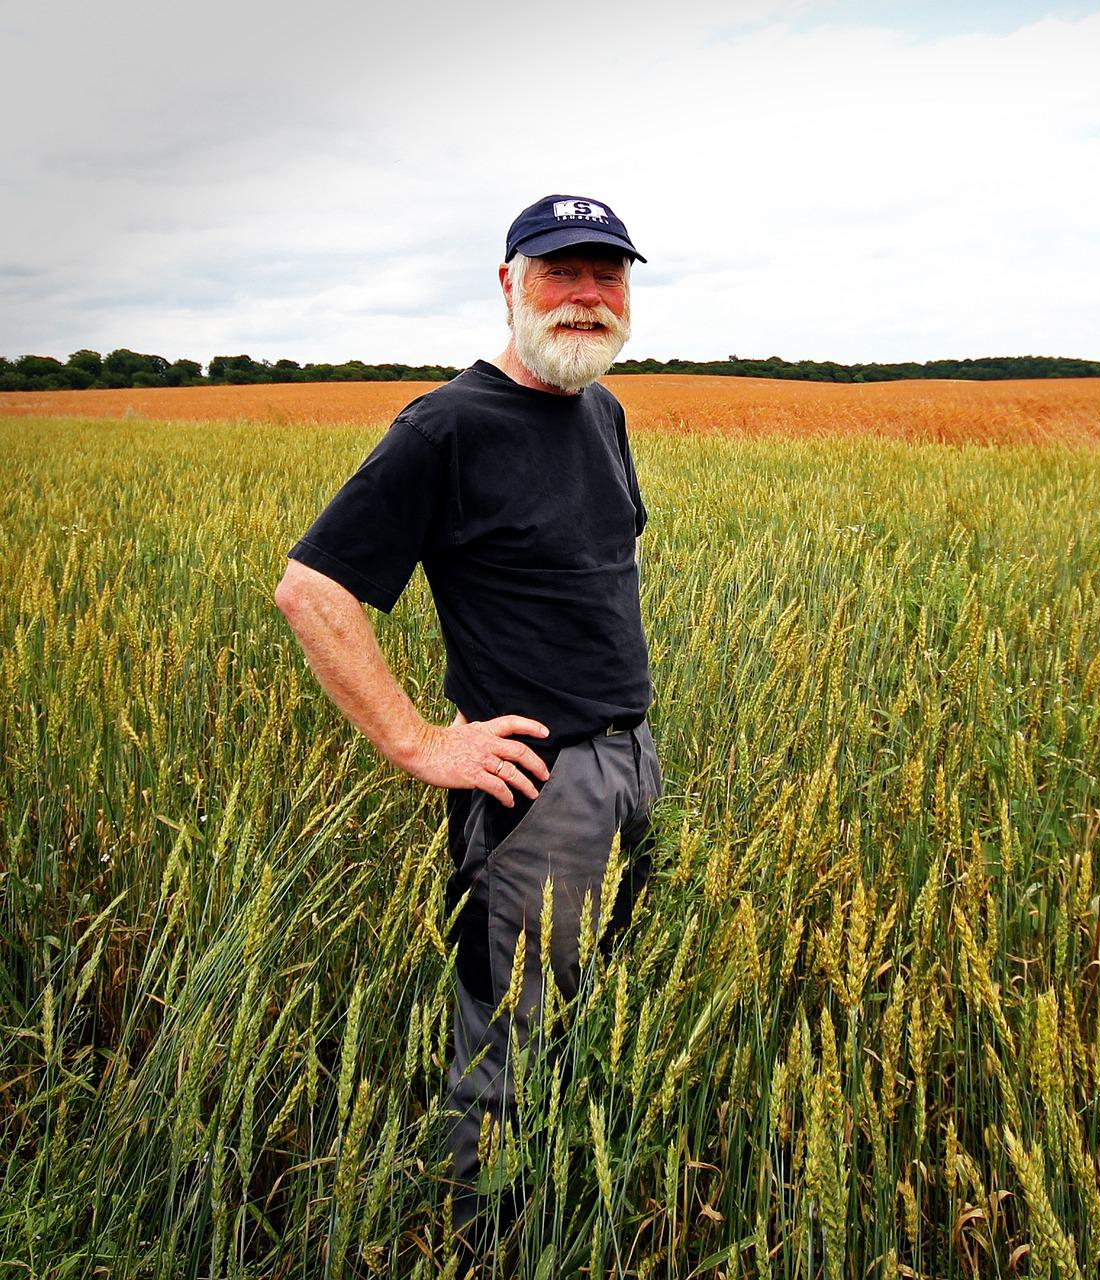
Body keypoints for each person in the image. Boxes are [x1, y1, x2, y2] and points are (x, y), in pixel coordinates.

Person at [272, 193, 662, 1263]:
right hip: (536, 795)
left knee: (594, 1009)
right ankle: (491, 1242)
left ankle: (573, 1201)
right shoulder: (446, 426)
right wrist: (417, 741)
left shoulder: (602, 411)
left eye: (607, 275)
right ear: (508, 283)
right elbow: (312, 589)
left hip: (630, 763)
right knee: (510, 1043)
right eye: (560, 273)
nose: (587, 296)